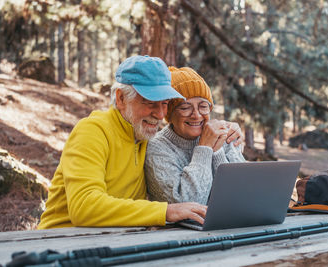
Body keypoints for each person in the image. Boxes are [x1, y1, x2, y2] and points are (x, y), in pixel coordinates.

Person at [38, 56, 207, 229]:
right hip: (58, 241)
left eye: (164, 103)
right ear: (121, 99)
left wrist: (220, 134)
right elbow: (84, 207)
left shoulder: (144, 137)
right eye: (149, 103)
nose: (159, 113)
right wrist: (165, 212)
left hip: (114, 242)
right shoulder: (92, 131)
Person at [145, 66, 246, 205]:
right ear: (170, 115)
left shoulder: (224, 135)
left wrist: (217, 152)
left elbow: (244, 193)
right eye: (185, 107)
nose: (197, 115)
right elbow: (189, 203)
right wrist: (204, 148)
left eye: (203, 106)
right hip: (180, 227)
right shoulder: (157, 148)